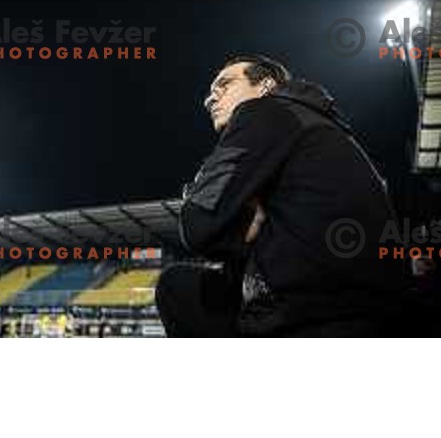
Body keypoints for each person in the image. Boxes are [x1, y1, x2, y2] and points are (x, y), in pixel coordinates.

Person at [156, 54, 406, 337]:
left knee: (176, 288)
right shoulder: (318, 127)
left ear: (265, 86)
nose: (210, 99)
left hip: (313, 318)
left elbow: (197, 225)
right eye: (211, 92)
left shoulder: (261, 111)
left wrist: (231, 217)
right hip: (373, 310)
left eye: (224, 85)